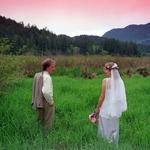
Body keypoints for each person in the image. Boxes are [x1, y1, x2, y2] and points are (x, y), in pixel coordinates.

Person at [95, 62, 127, 145]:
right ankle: (113, 144)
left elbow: (102, 97)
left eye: (105, 69)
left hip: (105, 108)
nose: (104, 71)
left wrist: (97, 108)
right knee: (114, 127)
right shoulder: (120, 81)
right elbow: (120, 97)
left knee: (104, 127)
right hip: (115, 109)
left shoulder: (105, 81)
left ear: (109, 71)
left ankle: (103, 144)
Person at [32, 58, 56, 131]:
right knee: (48, 121)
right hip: (46, 101)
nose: (54, 69)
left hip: (39, 101)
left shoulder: (38, 75)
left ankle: (39, 133)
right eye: (53, 67)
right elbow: (46, 92)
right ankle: (47, 136)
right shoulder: (47, 77)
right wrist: (51, 102)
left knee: (41, 120)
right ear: (47, 67)